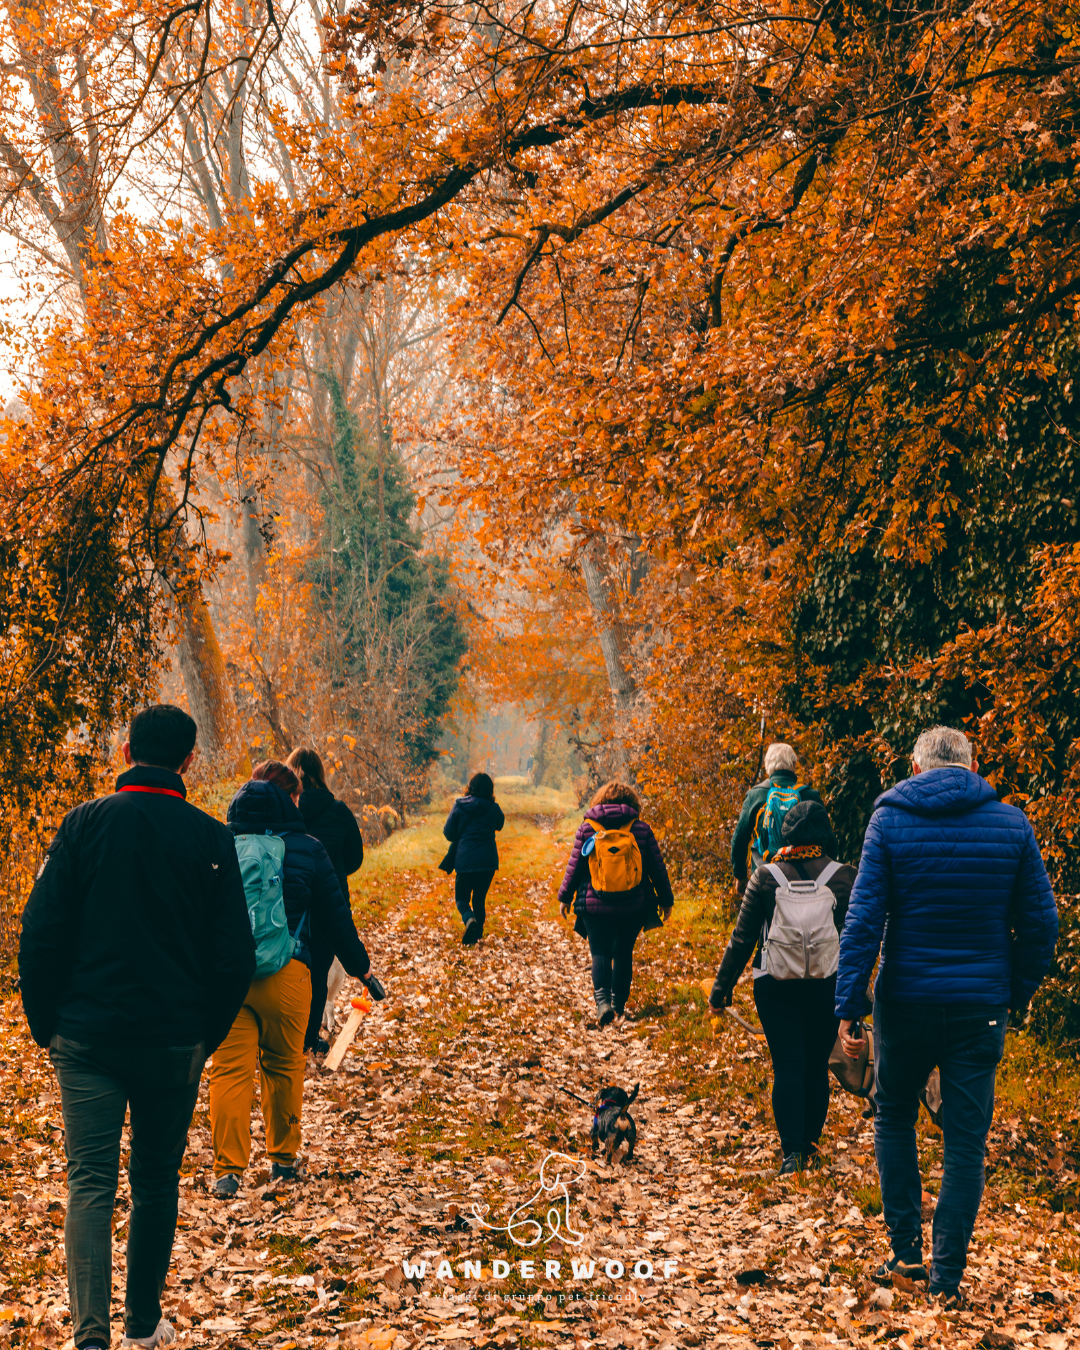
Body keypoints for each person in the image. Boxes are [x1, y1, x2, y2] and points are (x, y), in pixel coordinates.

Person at [19, 705, 255, 1350]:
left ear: (126, 752)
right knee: (155, 1183)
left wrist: (47, 1024)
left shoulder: (84, 825)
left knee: (89, 1181)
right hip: (172, 1041)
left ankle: (90, 1336)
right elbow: (235, 953)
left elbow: (40, 932)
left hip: (87, 1038)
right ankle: (144, 1328)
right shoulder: (211, 839)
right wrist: (203, 1034)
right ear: (188, 762)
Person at [835, 726, 1059, 1306]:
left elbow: (862, 921)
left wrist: (850, 1005)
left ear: (915, 768)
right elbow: (1041, 924)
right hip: (979, 1007)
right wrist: (1016, 993)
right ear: (973, 763)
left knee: (893, 1120)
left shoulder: (889, 822)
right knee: (965, 1142)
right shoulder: (1011, 825)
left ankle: (906, 1251)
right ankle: (947, 1278)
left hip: (905, 1001)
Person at [209, 760, 377, 1197]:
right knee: (283, 1066)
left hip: (228, 978)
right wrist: (362, 969)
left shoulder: (218, 844)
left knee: (230, 1071)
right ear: (289, 801)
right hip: (289, 973)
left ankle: (228, 1172)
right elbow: (336, 917)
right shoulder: (308, 848)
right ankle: (283, 1161)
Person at [709, 801, 855, 1174]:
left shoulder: (765, 875)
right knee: (816, 1067)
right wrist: (859, 995)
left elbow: (742, 939)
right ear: (825, 834)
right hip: (828, 984)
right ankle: (810, 1144)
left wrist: (721, 989)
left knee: (787, 1065)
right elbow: (860, 939)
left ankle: (792, 1154)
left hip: (775, 986)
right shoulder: (845, 876)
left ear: (784, 833)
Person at [557, 780, 674, 1026]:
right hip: (633, 905)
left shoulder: (588, 829)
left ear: (599, 801)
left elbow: (575, 867)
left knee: (599, 952)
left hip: (593, 904)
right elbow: (657, 867)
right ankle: (619, 1005)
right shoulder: (640, 828)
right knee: (622, 953)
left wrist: (565, 898)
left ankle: (603, 1004)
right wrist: (666, 901)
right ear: (632, 803)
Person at [284, 747, 365, 1054]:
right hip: (329, 902)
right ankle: (307, 1038)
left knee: (287, 966)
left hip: (290, 901)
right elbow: (355, 858)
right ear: (321, 774)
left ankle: (285, 1034)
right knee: (318, 972)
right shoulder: (339, 811)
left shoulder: (283, 809)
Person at [730, 743, 822, 894]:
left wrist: (740, 877)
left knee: (755, 917)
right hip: (806, 883)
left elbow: (739, 840)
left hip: (765, 881)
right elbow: (828, 841)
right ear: (794, 764)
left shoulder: (755, 795)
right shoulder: (810, 796)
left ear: (767, 767)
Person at [442, 772, 505, 945]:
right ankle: (477, 936)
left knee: (462, 899)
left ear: (470, 787)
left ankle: (469, 920)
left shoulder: (459, 805)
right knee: (479, 899)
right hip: (488, 862)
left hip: (465, 861)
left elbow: (448, 832)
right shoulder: (493, 808)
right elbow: (500, 825)